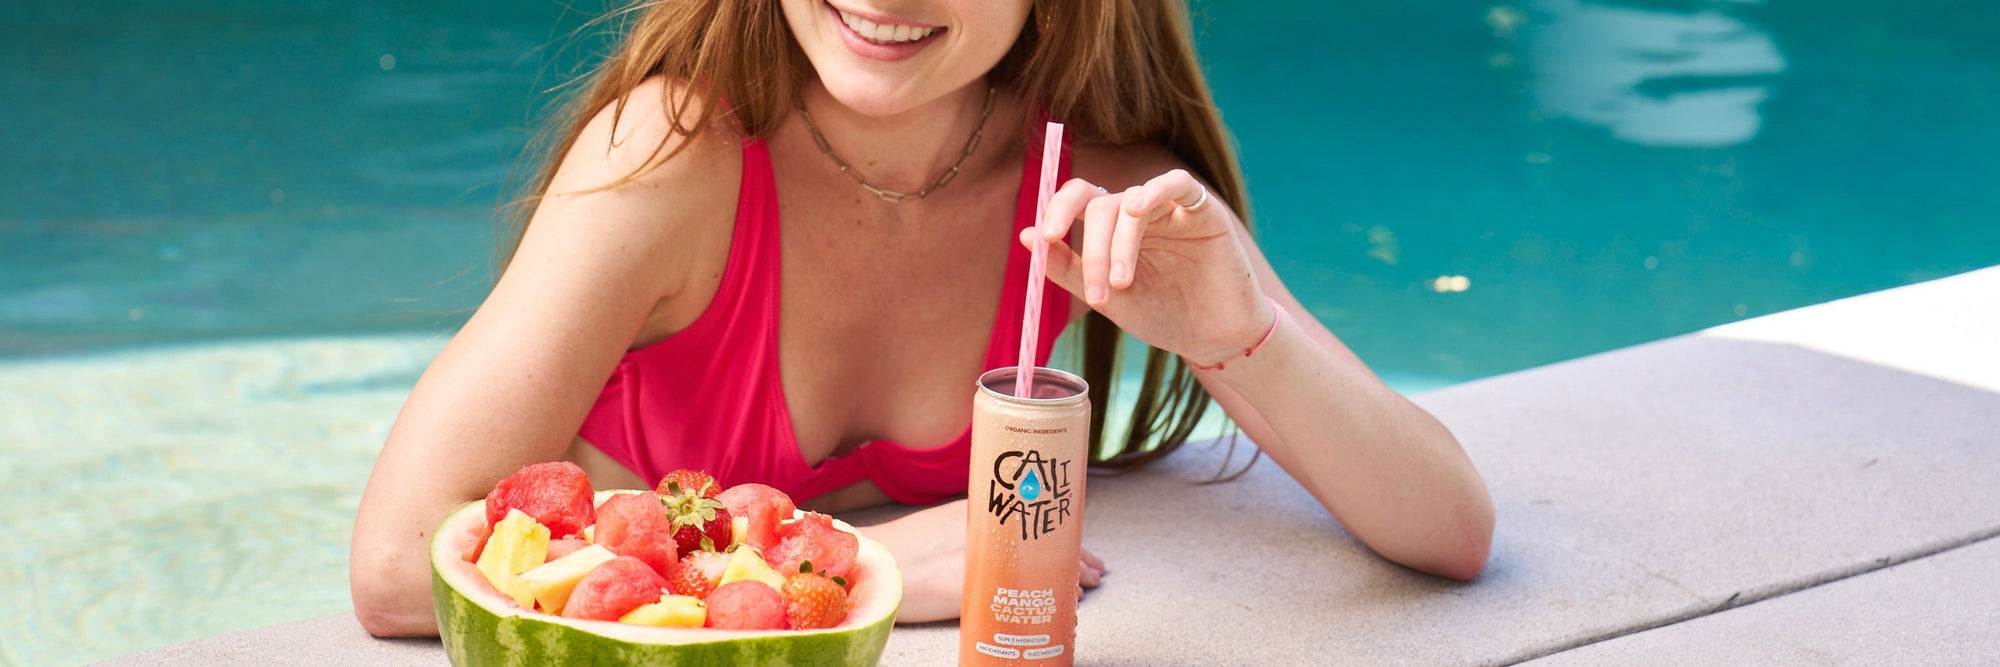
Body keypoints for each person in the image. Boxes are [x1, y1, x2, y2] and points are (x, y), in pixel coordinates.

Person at [349, 0, 1494, 637]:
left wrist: (1236, 336)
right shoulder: (673, 159)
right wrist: (851, 566)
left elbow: (1446, 527)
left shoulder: (1087, 192)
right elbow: (399, 565)